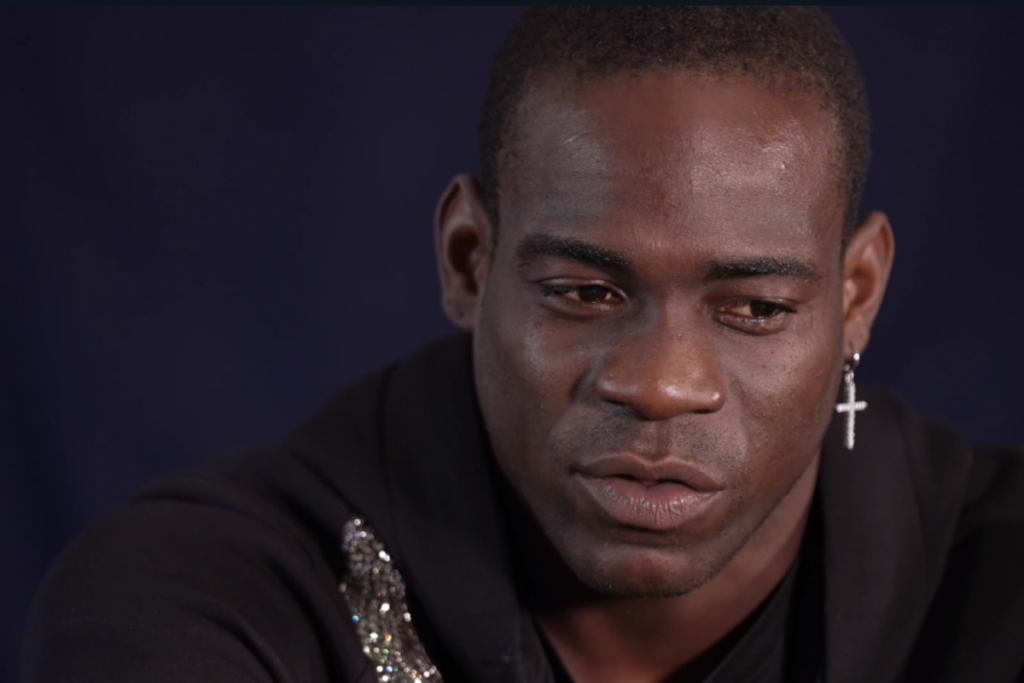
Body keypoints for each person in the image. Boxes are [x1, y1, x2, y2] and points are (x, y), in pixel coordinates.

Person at [21, 6, 1024, 682]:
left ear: (855, 295)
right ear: (469, 261)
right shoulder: (203, 595)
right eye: (584, 292)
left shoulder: (997, 581)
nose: (662, 384)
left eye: (755, 308)